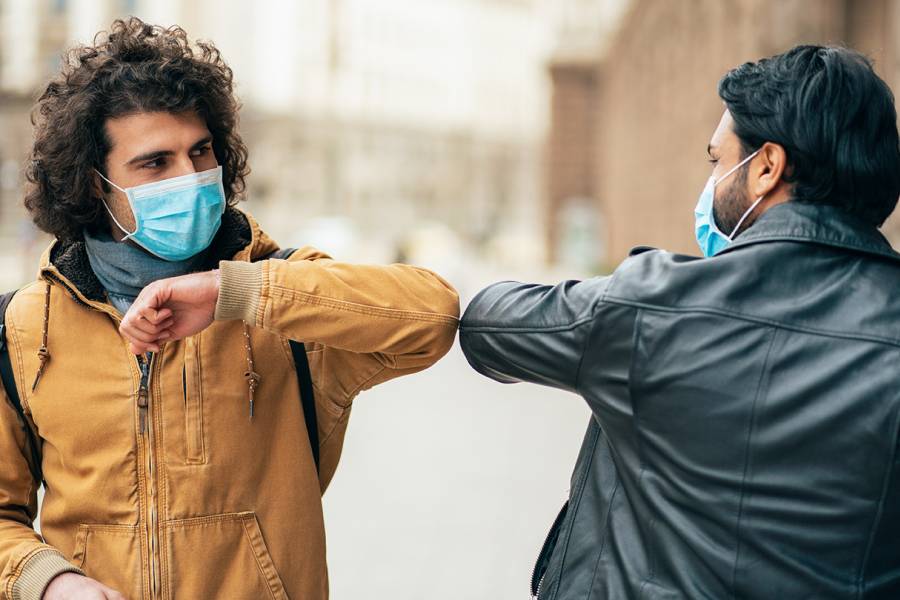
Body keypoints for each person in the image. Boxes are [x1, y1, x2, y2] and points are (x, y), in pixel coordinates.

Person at [0, 18, 459, 600]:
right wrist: (50, 580)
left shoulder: (286, 295)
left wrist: (235, 293)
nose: (190, 177)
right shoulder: (23, 325)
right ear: (95, 185)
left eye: (200, 151)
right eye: (155, 163)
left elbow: (435, 315)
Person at [460, 45, 900, 599]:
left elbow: (486, 324)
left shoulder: (651, 306)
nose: (712, 179)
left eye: (718, 160)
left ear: (766, 167)